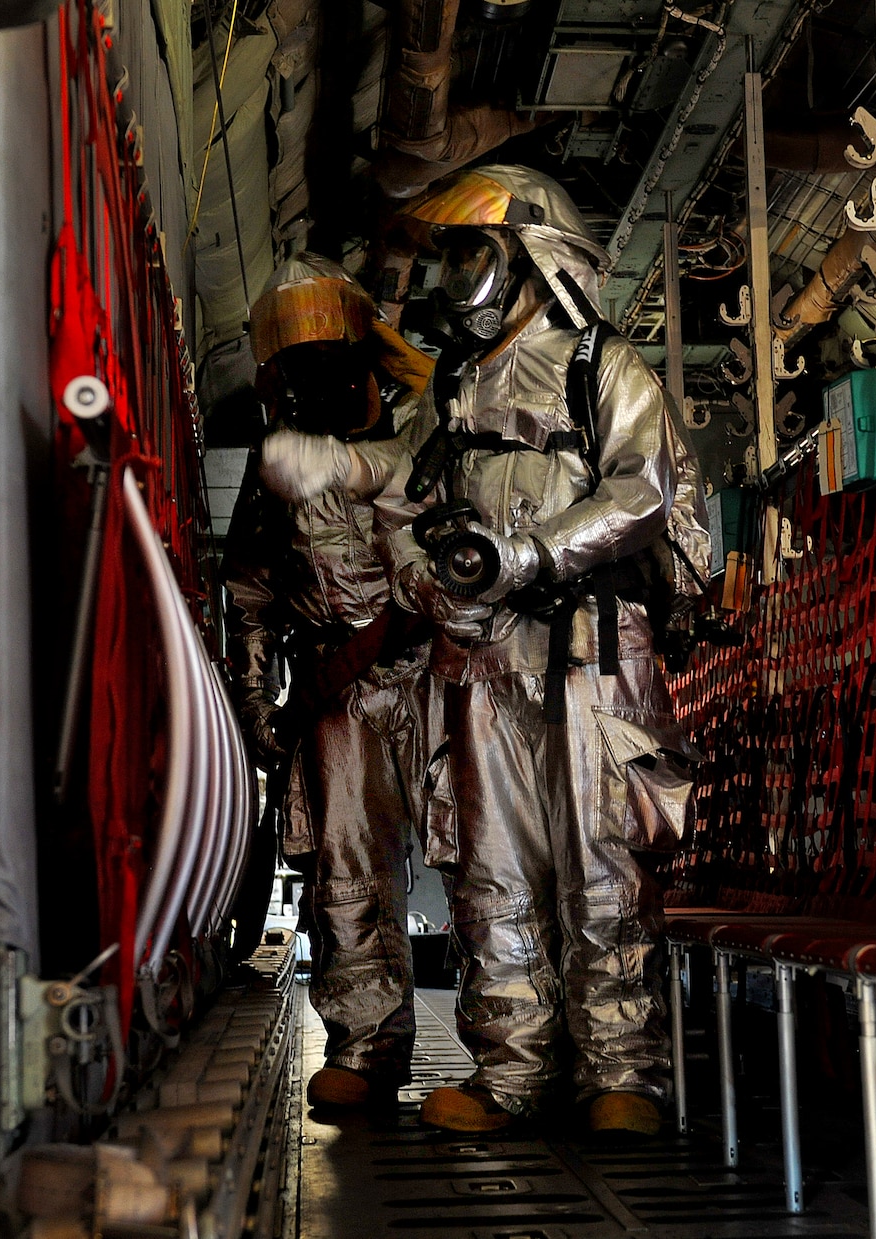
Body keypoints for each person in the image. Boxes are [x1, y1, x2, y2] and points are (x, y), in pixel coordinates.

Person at [387, 165, 709, 1138]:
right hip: (484, 657)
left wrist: (525, 553)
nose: (452, 278)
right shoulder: (450, 384)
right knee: (490, 866)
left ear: (532, 257)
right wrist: (436, 580)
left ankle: (621, 1072)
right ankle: (510, 1072)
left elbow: (642, 489)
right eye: (447, 257)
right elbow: (409, 501)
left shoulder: (600, 365)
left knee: (601, 858)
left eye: (468, 253)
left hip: (594, 648)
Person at [223, 253, 437, 1109]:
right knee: (348, 872)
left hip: (443, 670)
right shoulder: (275, 476)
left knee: (491, 860)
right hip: (337, 695)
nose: (314, 377)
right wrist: (256, 705)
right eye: (295, 362)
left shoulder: (424, 439)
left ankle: (523, 1052)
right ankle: (365, 1045)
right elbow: (250, 595)